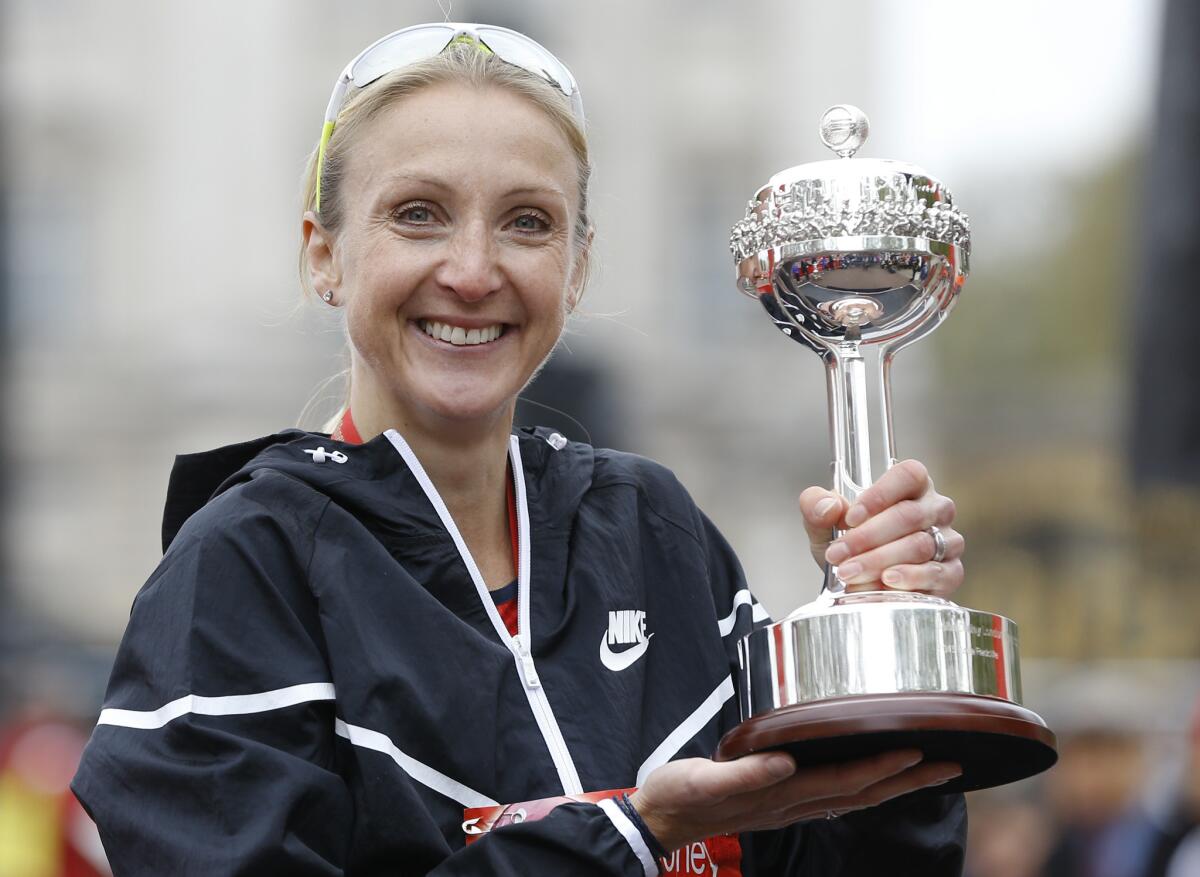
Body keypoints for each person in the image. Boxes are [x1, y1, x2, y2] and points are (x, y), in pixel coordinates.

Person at [71, 23, 968, 876]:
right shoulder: (242, 566)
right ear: (324, 255)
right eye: (418, 214)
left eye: (527, 222)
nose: (471, 269)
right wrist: (638, 834)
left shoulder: (655, 528)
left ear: (577, 269)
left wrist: (873, 669)